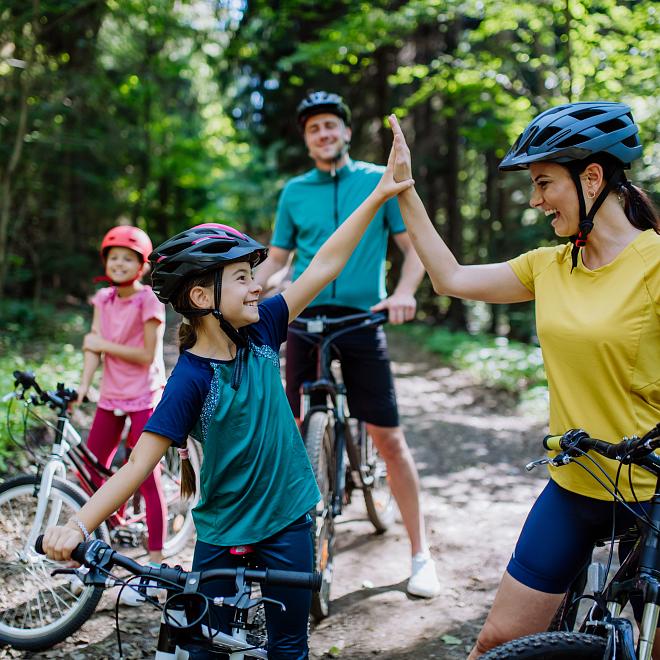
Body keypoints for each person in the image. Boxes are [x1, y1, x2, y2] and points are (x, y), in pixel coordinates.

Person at [42, 154, 415, 658]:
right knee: (204, 647)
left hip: (288, 520)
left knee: (288, 648)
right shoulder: (189, 380)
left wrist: (376, 196)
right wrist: (78, 525)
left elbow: (325, 261)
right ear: (201, 296)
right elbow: (138, 464)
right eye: (241, 277)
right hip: (221, 532)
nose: (257, 284)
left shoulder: (263, 328)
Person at [385, 102, 659, 656]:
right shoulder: (549, 266)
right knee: (497, 642)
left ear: (592, 177)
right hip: (578, 483)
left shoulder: (655, 264)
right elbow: (451, 277)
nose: (535, 200)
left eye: (543, 183)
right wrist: (405, 190)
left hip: (656, 491)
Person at [255, 91, 440, 598]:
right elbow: (277, 258)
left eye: (331, 126)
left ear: (346, 132)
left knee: (389, 439)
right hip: (304, 318)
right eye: (314, 128)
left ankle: (421, 554)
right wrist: (254, 288)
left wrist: (403, 294)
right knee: (293, 427)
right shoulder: (294, 190)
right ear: (306, 138)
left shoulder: (373, 180)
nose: (323, 134)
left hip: (362, 319)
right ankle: (285, 541)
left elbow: (413, 249)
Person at [76, 226, 167, 605]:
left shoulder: (150, 301)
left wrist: (102, 344)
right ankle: (90, 555)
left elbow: (147, 355)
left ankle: (158, 564)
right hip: (110, 395)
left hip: (145, 394)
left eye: (127, 258)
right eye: (113, 257)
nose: (118, 263)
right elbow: (93, 348)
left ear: (142, 266)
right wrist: (82, 388)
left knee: (145, 477)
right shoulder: (103, 299)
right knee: (89, 471)